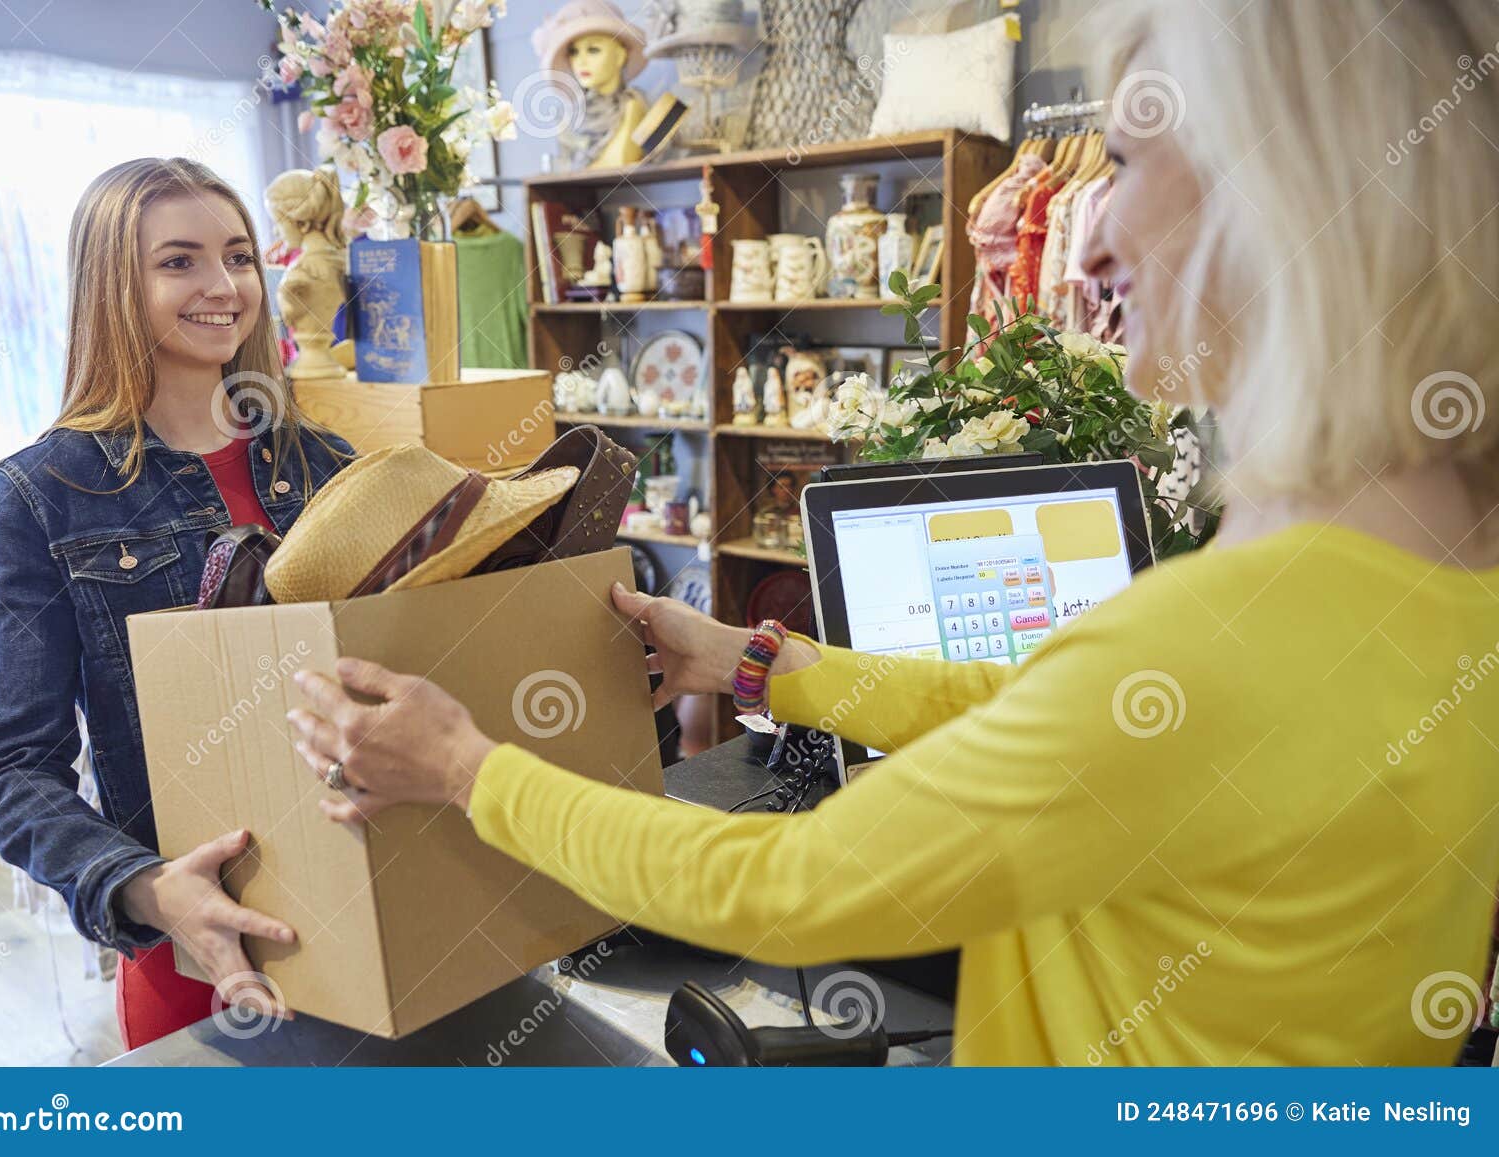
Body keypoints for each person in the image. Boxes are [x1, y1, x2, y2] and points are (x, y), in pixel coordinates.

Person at [287, 0, 1499, 1064]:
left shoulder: (1206, 639)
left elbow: (778, 887)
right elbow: (1038, 704)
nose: (1092, 235)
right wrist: (753, 664)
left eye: (1123, 162)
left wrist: (467, 768)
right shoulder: (1442, 593)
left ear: (1273, 186)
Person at [0, 158, 354, 1050]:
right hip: (196, 948)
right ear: (113, 284)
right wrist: (146, 888)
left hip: (369, 908)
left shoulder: (325, 464)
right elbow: (9, 774)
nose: (223, 287)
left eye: (239, 256)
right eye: (178, 261)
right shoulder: (39, 496)